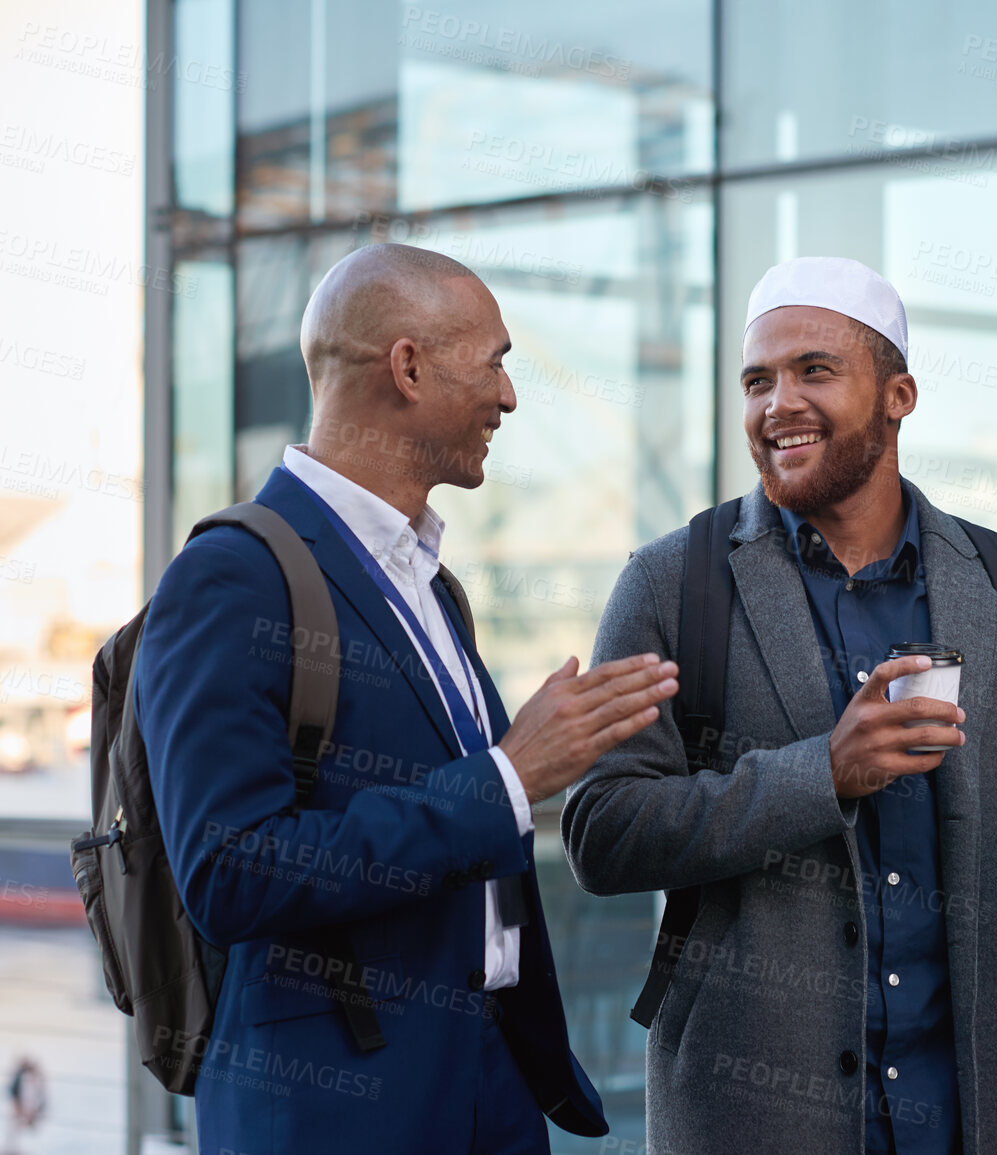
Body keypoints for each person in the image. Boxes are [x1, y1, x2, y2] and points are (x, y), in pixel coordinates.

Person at [564, 257, 997, 1155]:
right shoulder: (672, 584)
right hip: (751, 1119)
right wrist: (820, 772)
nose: (777, 403)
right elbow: (602, 830)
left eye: (813, 370)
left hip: (969, 1120)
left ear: (898, 394)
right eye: (757, 381)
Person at [136, 243, 680, 1154]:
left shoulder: (426, 585)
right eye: (495, 361)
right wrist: (508, 776)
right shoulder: (229, 578)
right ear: (409, 365)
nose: (509, 397)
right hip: (342, 1114)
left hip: (490, 1092)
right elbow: (228, 869)